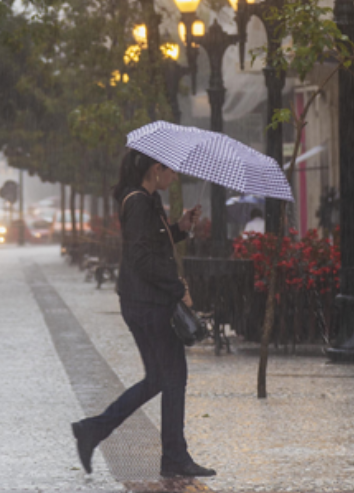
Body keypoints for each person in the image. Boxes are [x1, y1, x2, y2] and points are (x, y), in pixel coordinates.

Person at [71, 149, 212, 479]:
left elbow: (152, 243)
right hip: (147, 304)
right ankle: (172, 456)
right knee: (171, 377)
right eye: (171, 170)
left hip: (145, 301)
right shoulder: (138, 202)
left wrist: (179, 227)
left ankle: (95, 431)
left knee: (161, 378)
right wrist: (177, 289)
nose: (174, 176)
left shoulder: (147, 200)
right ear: (155, 168)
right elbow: (141, 258)